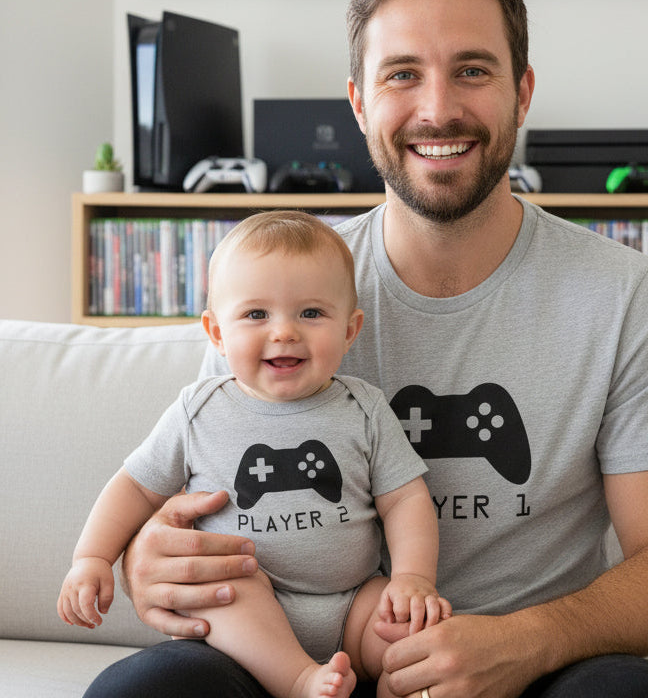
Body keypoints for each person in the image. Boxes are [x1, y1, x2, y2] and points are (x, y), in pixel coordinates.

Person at [84, 0, 648, 698]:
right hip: (312, 667)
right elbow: (185, 496)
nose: (438, 110)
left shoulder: (624, 296)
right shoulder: (276, 291)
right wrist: (144, 559)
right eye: (402, 74)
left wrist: (523, 643)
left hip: (539, 670)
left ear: (522, 93)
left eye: (472, 70)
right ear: (359, 101)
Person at [63, 210, 450, 698]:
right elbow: (136, 487)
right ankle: (300, 681)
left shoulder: (365, 409)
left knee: (412, 636)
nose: (284, 332)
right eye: (256, 315)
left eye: (311, 313)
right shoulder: (197, 410)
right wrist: (92, 557)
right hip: (243, 599)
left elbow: (406, 499)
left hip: (353, 599)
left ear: (350, 330)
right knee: (227, 590)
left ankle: (396, 687)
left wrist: (412, 579)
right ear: (216, 333)